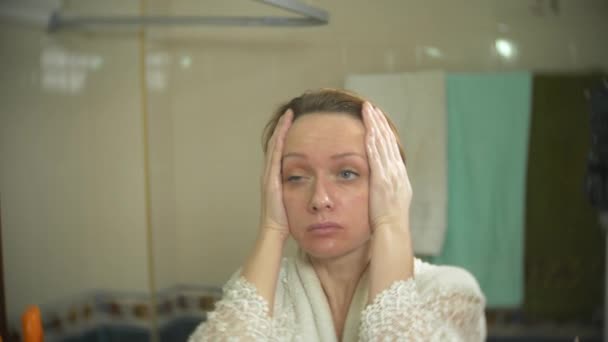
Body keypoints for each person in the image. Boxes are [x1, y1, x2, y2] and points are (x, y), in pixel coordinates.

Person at [188, 89, 486, 341]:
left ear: (390, 183)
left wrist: (391, 224)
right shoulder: (261, 289)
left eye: (347, 173)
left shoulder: (448, 291)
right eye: (295, 176)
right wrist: (271, 227)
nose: (319, 200)